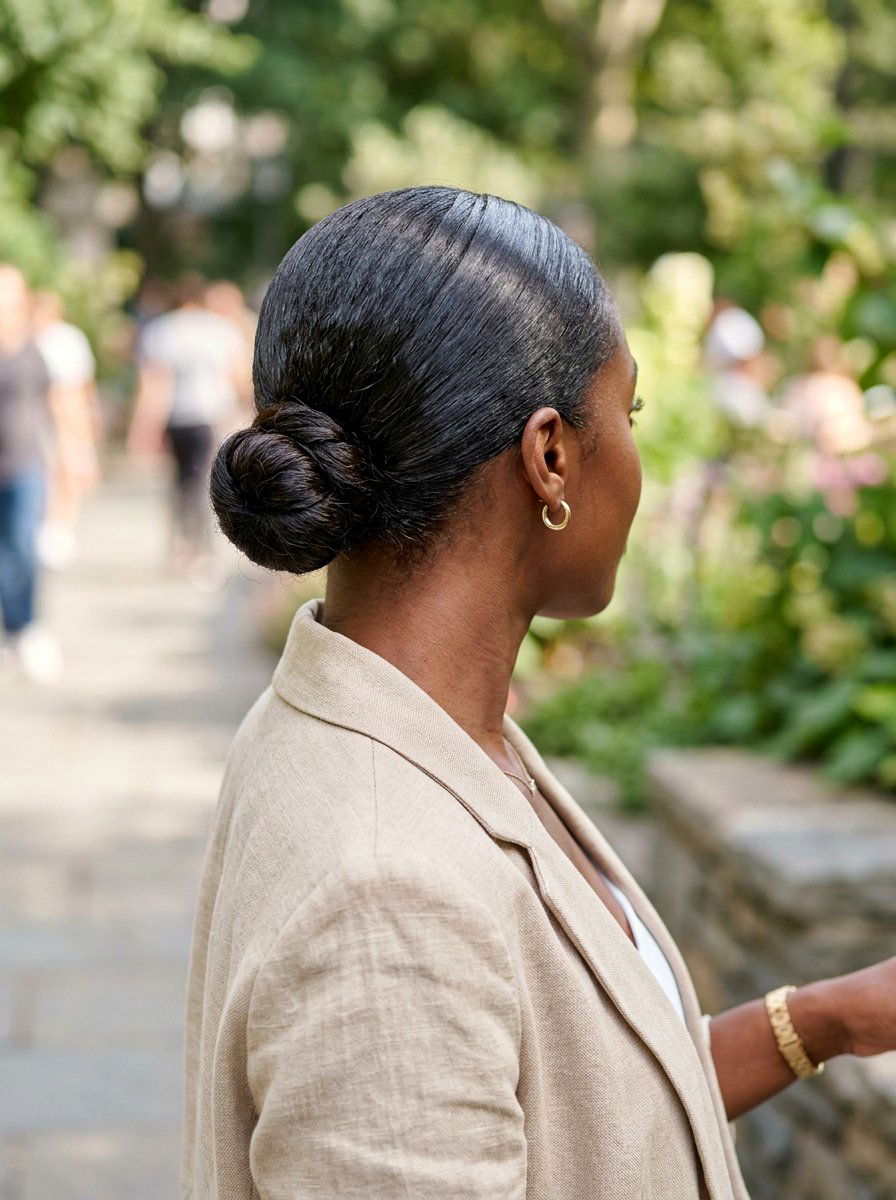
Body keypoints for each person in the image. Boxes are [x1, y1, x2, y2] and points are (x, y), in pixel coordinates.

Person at [181, 188, 896, 1200]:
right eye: (630, 411)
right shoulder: (385, 886)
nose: (641, 454)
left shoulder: (406, 719)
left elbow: (578, 1111)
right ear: (550, 454)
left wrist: (825, 1019)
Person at [127, 274, 248, 576]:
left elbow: (154, 384)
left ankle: (180, 544)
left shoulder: (161, 331)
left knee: (179, 482)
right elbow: (237, 376)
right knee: (203, 482)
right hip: (209, 416)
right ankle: (201, 549)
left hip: (175, 417)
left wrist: (144, 427)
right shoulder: (220, 330)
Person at [0, 265, 62, 682]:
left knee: (22, 548)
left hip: (25, 464)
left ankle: (24, 627)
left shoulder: (33, 347)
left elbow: (55, 402)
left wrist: (72, 453)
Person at [31, 290, 102, 568]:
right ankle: (50, 529)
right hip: (44, 417)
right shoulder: (29, 338)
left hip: (70, 412)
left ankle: (62, 530)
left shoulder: (68, 338)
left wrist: (91, 417)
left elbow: (83, 383)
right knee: (50, 471)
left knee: (71, 471)